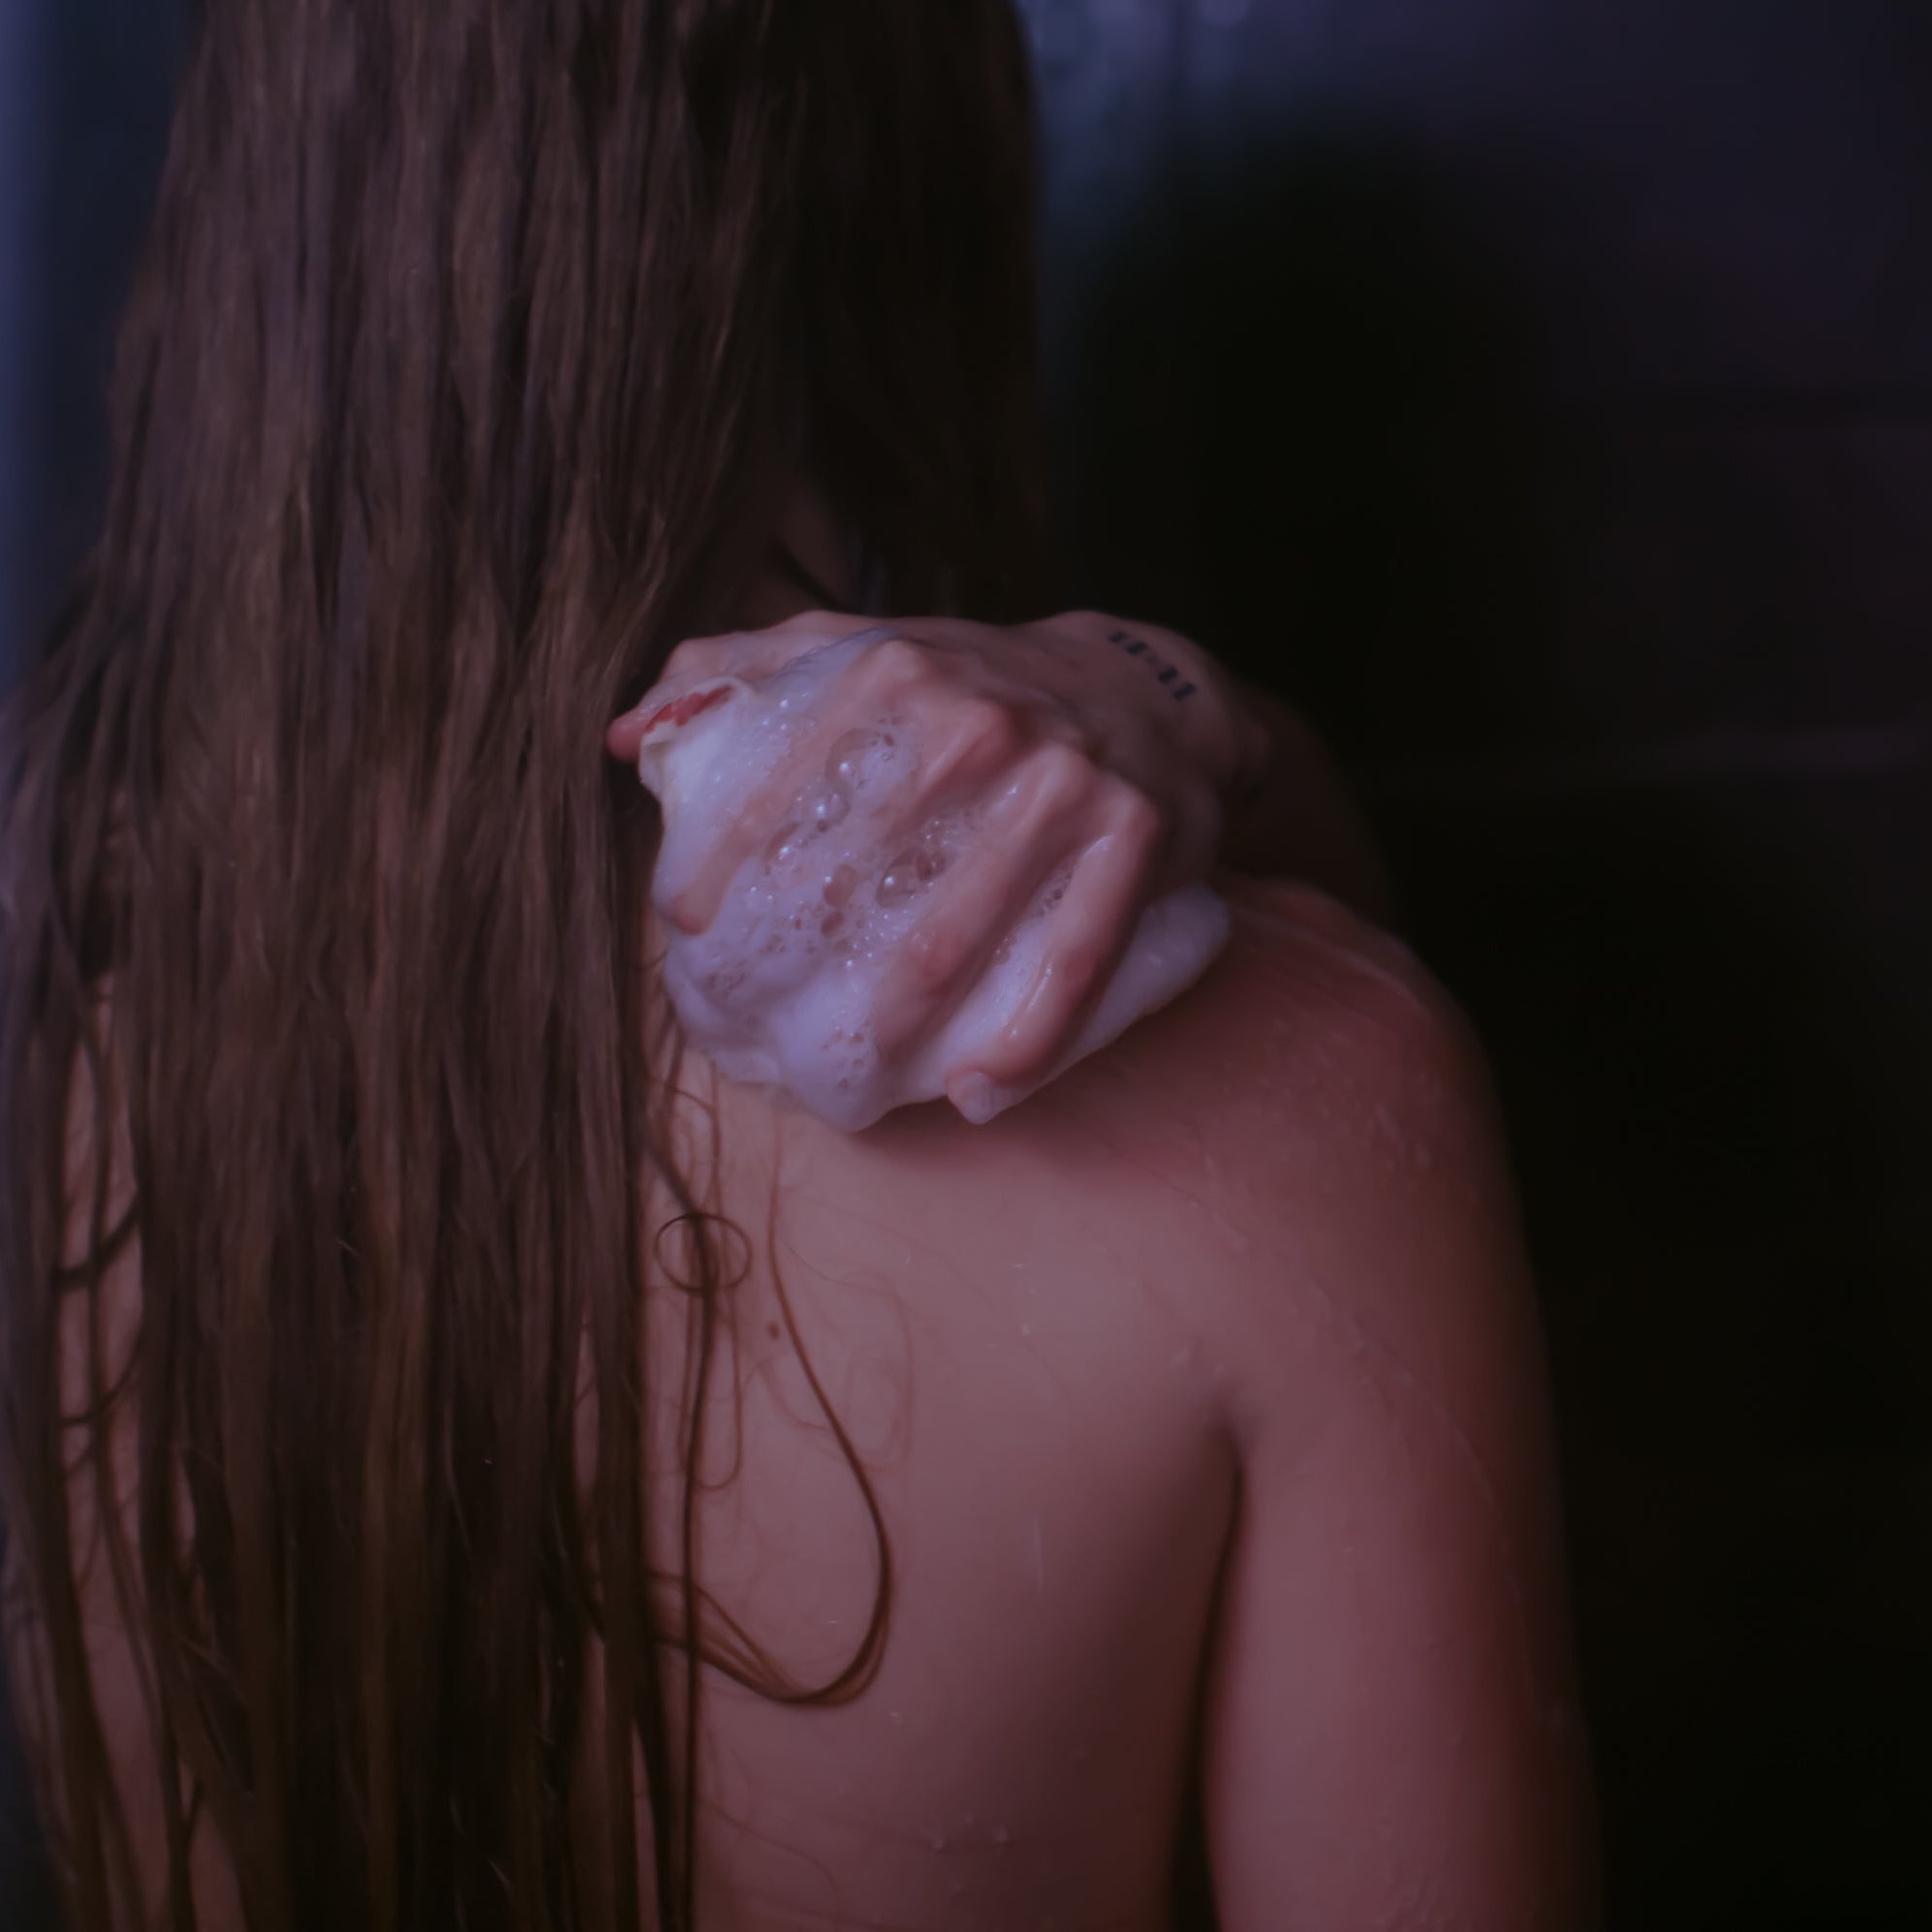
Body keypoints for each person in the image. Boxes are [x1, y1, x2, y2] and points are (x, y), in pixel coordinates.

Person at [0, 3, 1595, 1929]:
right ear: (906, 205)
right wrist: (1159, 689)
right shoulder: (1301, 1117)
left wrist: (1164, 698)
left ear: (256, 226)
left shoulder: (69, 1044)